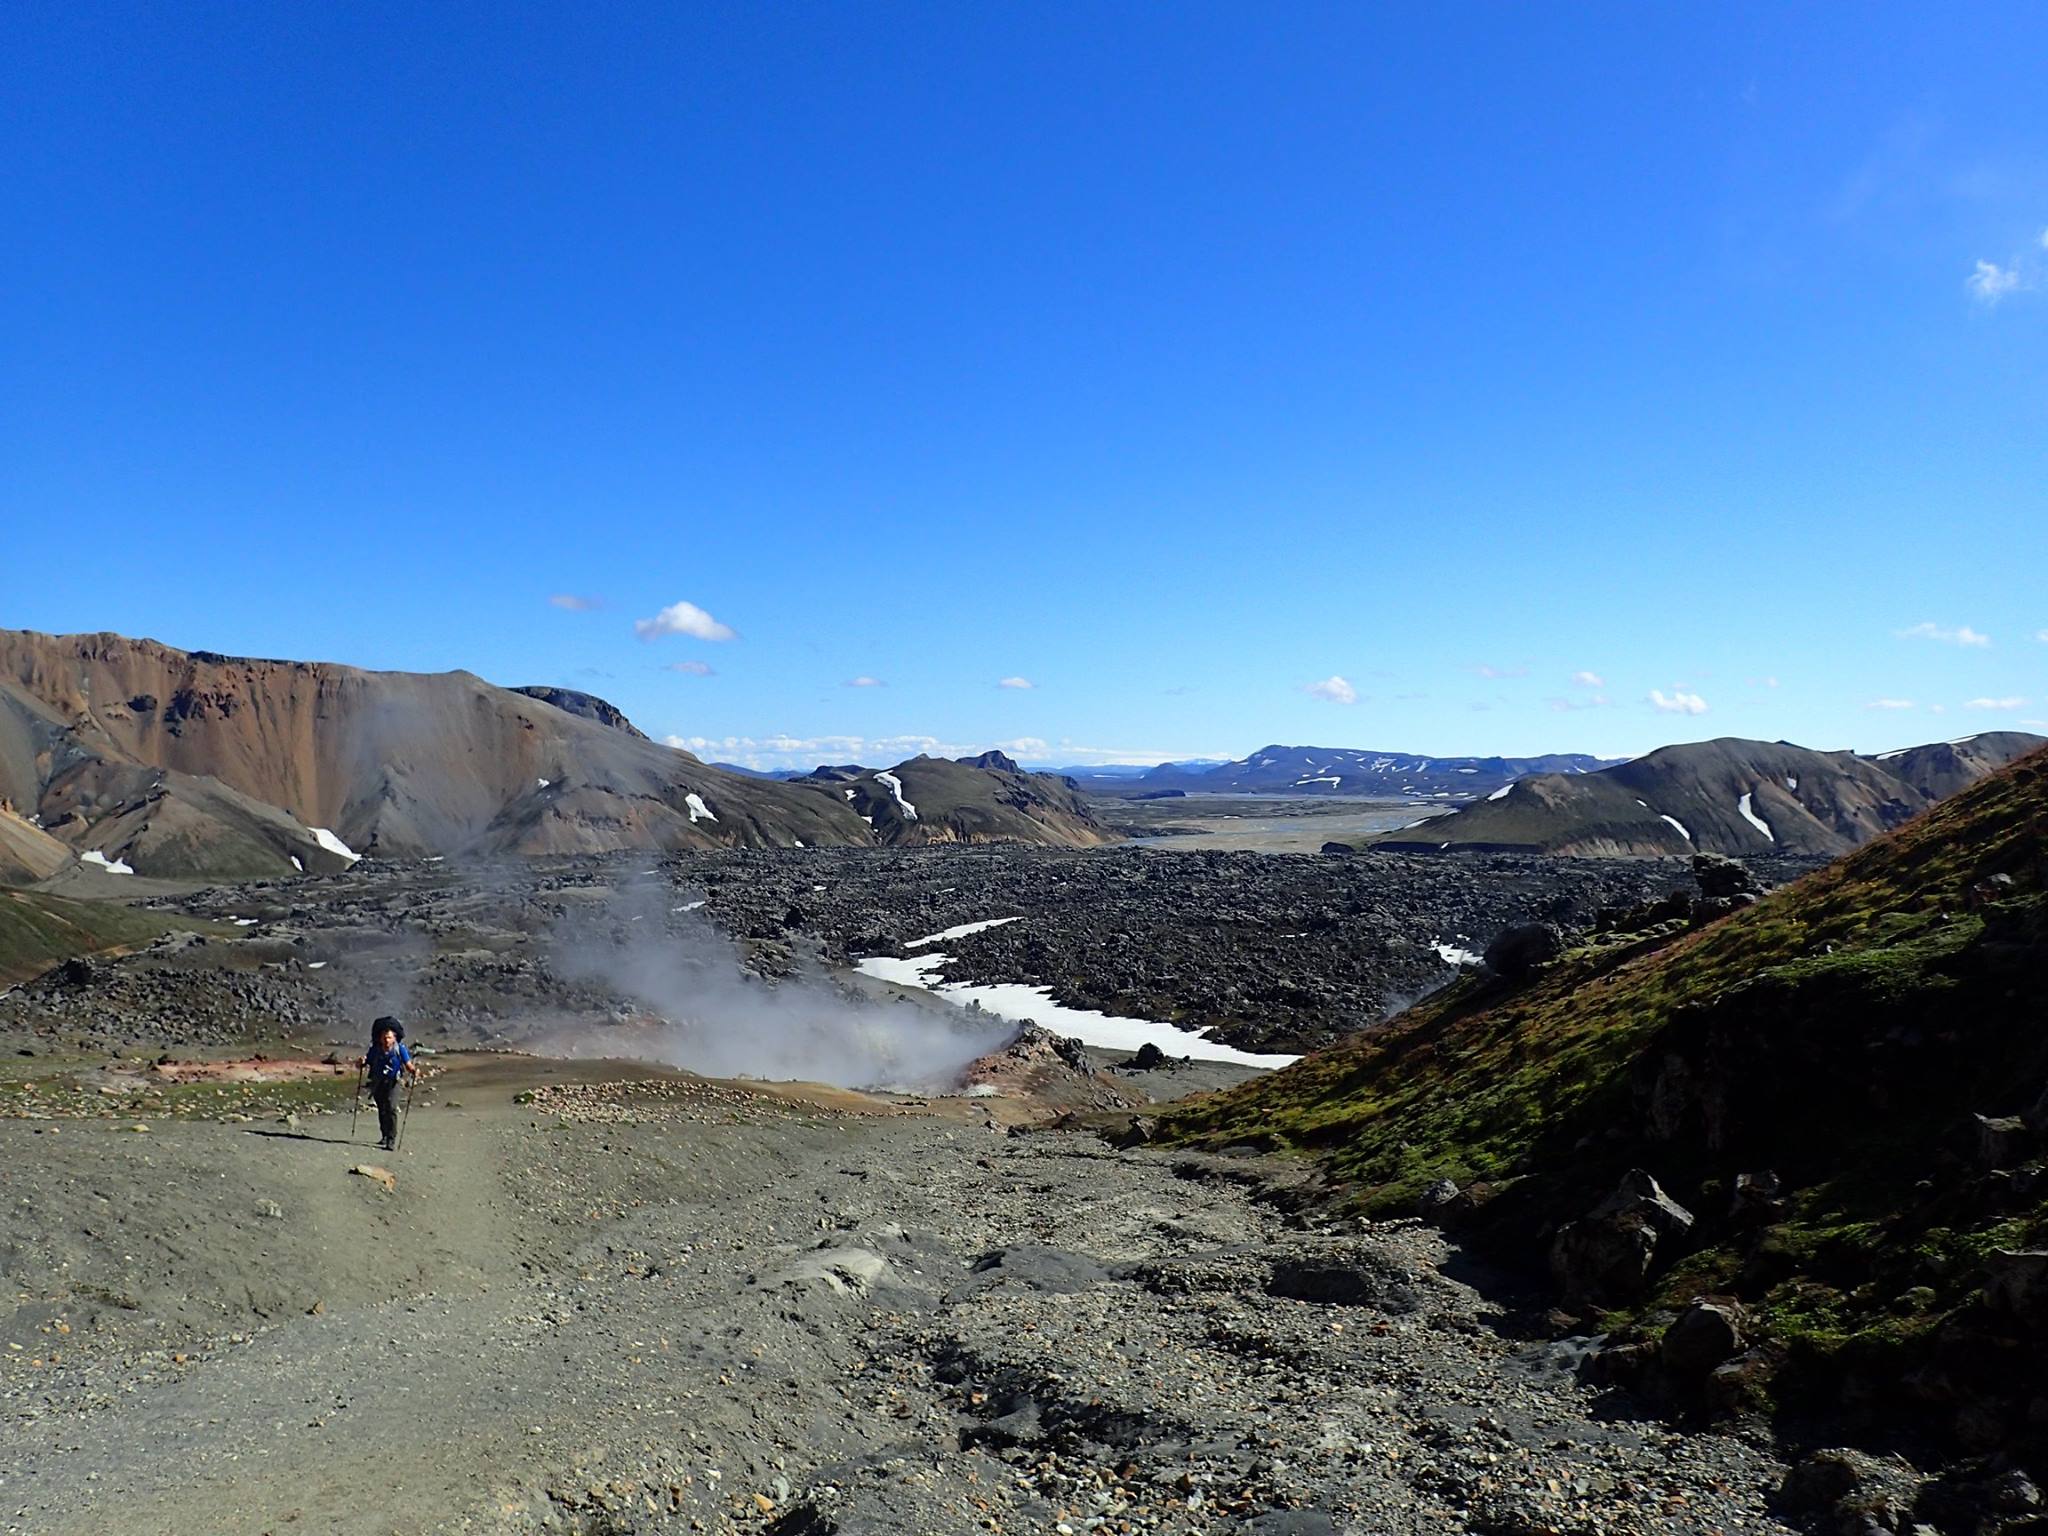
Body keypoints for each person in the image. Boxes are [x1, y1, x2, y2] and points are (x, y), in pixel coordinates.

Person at [360, 1016, 419, 1151]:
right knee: (382, 1108)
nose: (386, 1040)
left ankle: (391, 1139)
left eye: (389, 1037)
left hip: (394, 1082)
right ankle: (385, 1135)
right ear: (380, 1038)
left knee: (391, 1108)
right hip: (378, 1082)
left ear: (394, 1038)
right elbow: (364, 1063)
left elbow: (408, 1064)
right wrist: (360, 1062)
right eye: (384, 1037)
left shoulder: (400, 1049)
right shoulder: (375, 1050)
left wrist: (413, 1071)